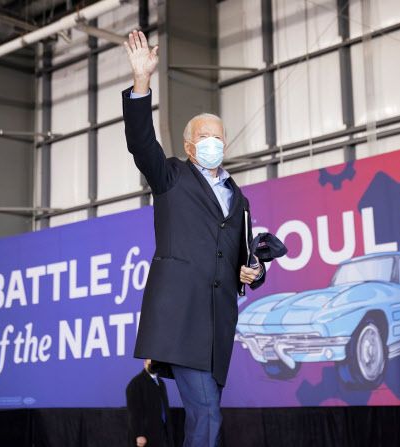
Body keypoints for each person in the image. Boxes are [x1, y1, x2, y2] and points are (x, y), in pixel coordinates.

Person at [121, 30, 266, 447]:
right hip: (181, 320)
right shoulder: (170, 176)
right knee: (207, 412)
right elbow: (140, 143)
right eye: (204, 137)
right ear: (189, 146)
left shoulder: (238, 198)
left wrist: (254, 271)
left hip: (217, 326)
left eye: (218, 136)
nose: (212, 143)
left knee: (205, 415)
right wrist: (142, 81)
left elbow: (244, 259)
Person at [126, 359, 175, 447]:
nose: (153, 366)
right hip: (147, 436)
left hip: (163, 433)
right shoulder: (136, 383)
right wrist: (139, 434)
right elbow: (134, 412)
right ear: (144, 363)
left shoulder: (161, 382)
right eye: (150, 363)